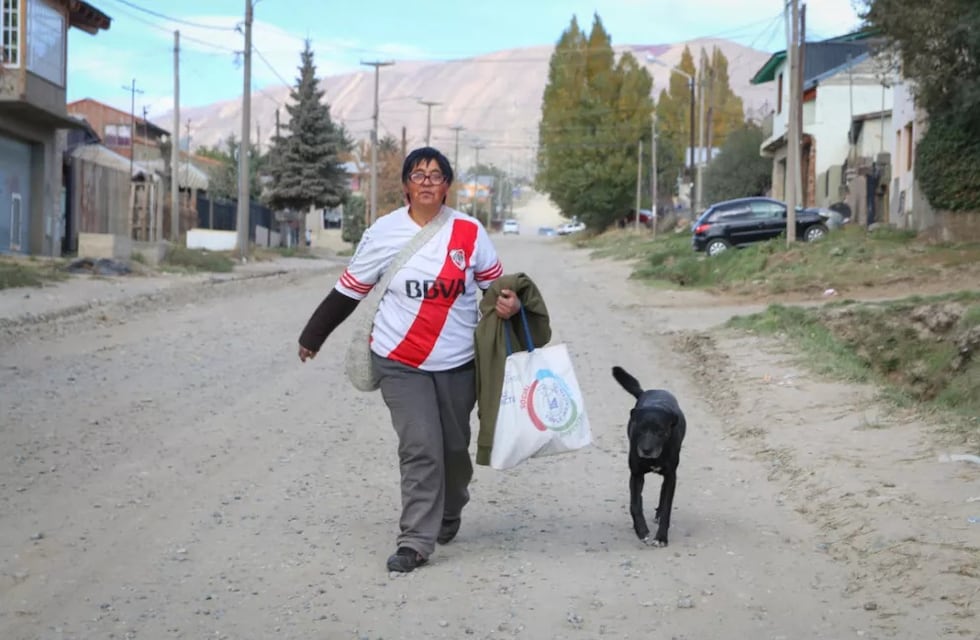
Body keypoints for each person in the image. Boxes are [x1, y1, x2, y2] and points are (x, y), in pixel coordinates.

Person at [296, 146, 521, 573]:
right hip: (400, 359)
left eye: (436, 176)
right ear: (405, 185)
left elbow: (497, 290)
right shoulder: (384, 232)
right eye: (418, 175)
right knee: (420, 446)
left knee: (454, 450)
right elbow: (351, 288)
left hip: (458, 363)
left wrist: (510, 305)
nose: (427, 183)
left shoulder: (470, 233)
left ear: (447, 186)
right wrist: (314, 334)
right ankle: (415, 539)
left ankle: (450, 510)